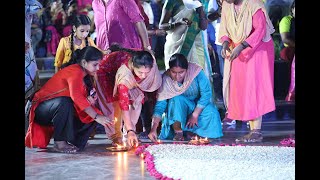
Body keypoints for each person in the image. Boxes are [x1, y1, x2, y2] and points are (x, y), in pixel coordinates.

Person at [25, 46, 114, 153]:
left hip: (56, 109)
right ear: (84, 63)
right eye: (95, 64)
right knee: (67, 103)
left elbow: (80, 101)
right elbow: (76, 96)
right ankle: (60, 143)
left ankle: (75, 142)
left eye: (99, 64)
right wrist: (96, 116)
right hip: (40, 110)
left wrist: (93, 109)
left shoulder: (86, 76)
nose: (98, 68)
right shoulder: (75, 71)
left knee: (92, 112)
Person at [218, 0, 275, 142]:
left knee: (253, 87)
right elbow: (224, 27)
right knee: (243, 87)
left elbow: (260, 29)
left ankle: (256, 132)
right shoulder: (227, 4)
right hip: (237, 49)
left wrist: (242, 46)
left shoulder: (254, 4)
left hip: (257, 48)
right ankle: (252, 130)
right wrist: (225, 43)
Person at [95, 45, 162, 147]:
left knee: (137, 100)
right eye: (140, 72)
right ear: (133, 66)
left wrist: (132, 130)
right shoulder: (125, 76)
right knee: (113, 106)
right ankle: (115, 136)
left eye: (146, 73)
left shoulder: (149, 63)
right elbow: (124, 104)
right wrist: (130, 129)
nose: (143, 76)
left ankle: (129, 135)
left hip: (125, 72)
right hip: (105, 73)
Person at [148, 53, 223, 141]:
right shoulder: (166, 80)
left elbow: (206, 94)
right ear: (169, 70)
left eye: (181, 72)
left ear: (187, 70)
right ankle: (179, 132)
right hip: (178, 110)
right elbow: (160, 106)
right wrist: (153, 129)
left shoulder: (196, 72)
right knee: (176, 99)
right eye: (173, 72)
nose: (177, 76)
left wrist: (195, 115)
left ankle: (195, 133)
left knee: (211, 112)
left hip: (197, 106)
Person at [159, 0, 213, 82]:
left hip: (195, 44)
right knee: (176, 76)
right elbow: (162, 25)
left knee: (196, 77)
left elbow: (203, 27)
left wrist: (201, 10)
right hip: (176, 45)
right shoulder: (171, 2)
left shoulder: (199, 2)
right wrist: (178, 23)